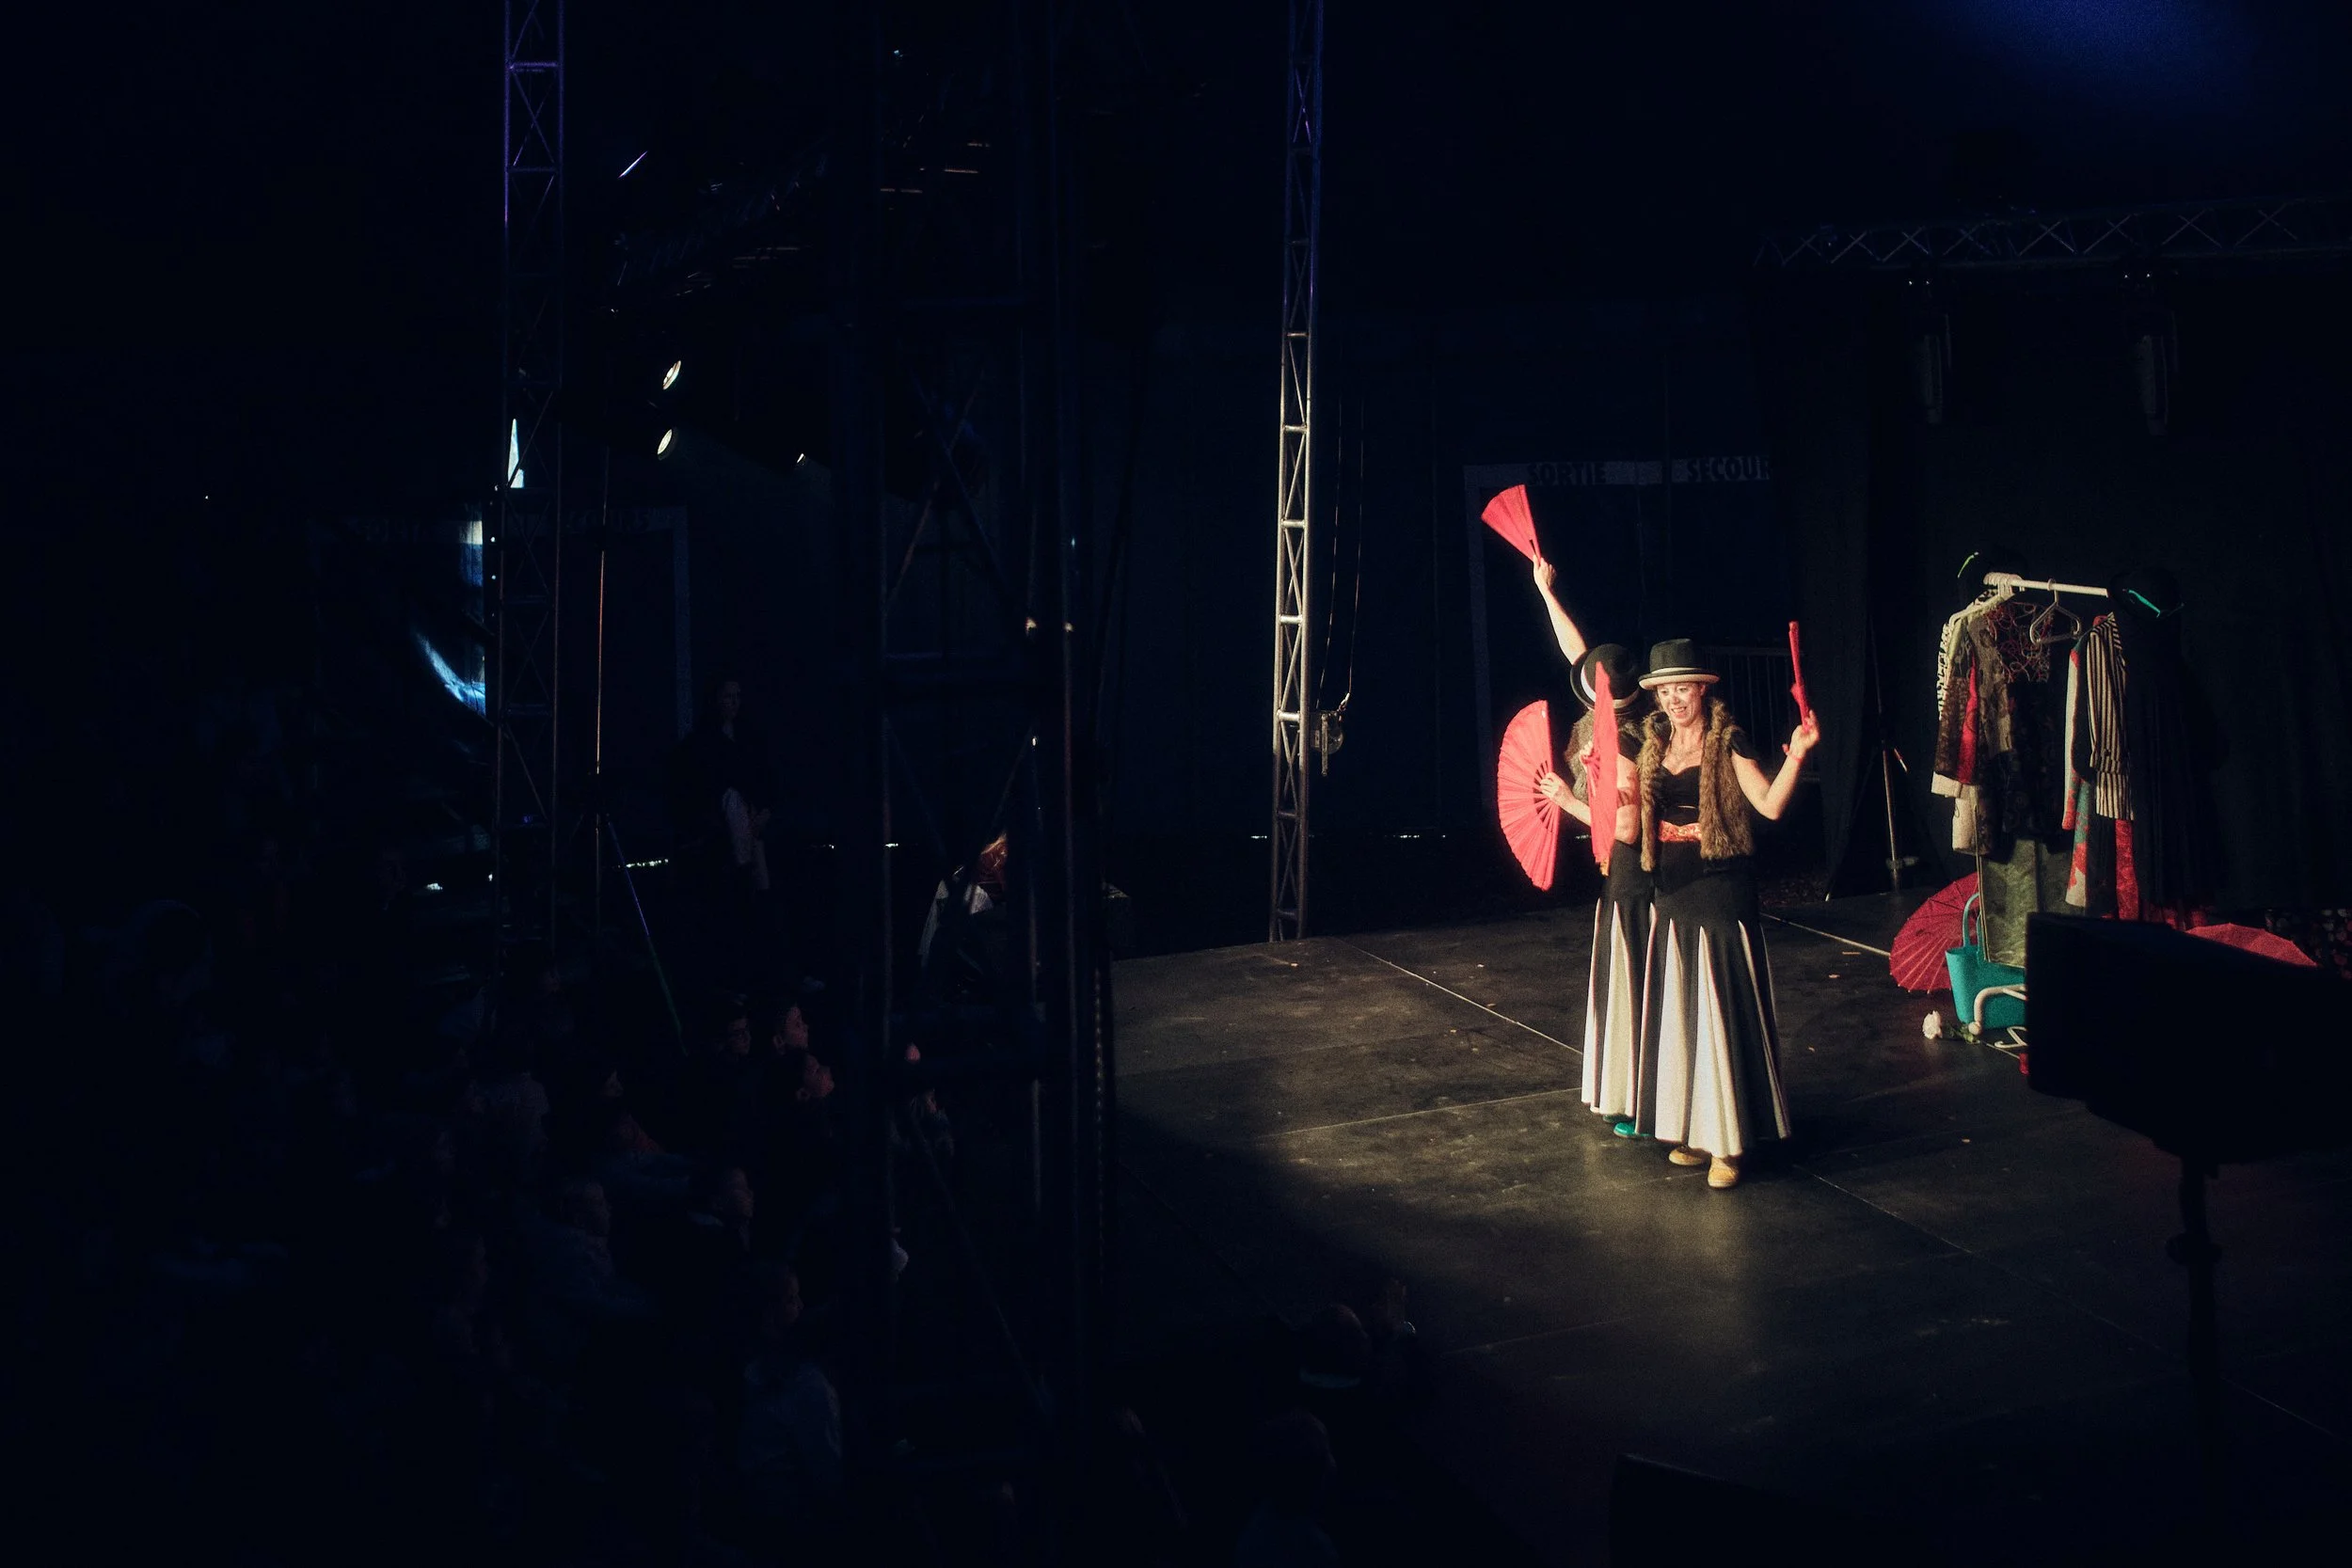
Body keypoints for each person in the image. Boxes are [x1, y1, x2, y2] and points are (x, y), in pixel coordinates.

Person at [1630, 639, 1817, 1189]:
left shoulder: (1728, 739)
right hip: (1671, 888)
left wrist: (1798, 755)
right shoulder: (1654, 744)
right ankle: (1695, 1127)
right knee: (1684, 1008)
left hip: (1718, 888)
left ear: (1702, 690)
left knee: (1719, 1008)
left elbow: (1770, 806)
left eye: (1682, 688)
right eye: (1665, 690)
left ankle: (1728, 1143)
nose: (1673, 699)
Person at [1538, 643, 1651, 1136]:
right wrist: (1547, 599)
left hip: (1635, 875)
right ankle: (1631, 1095)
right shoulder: (1621, 726)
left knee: (1634, 986)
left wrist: (1567, 801)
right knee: (1627, 985)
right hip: (1627, 874)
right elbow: (1579, 650)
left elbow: (1624, 829)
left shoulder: (1624, 742)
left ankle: (1644, 1101)